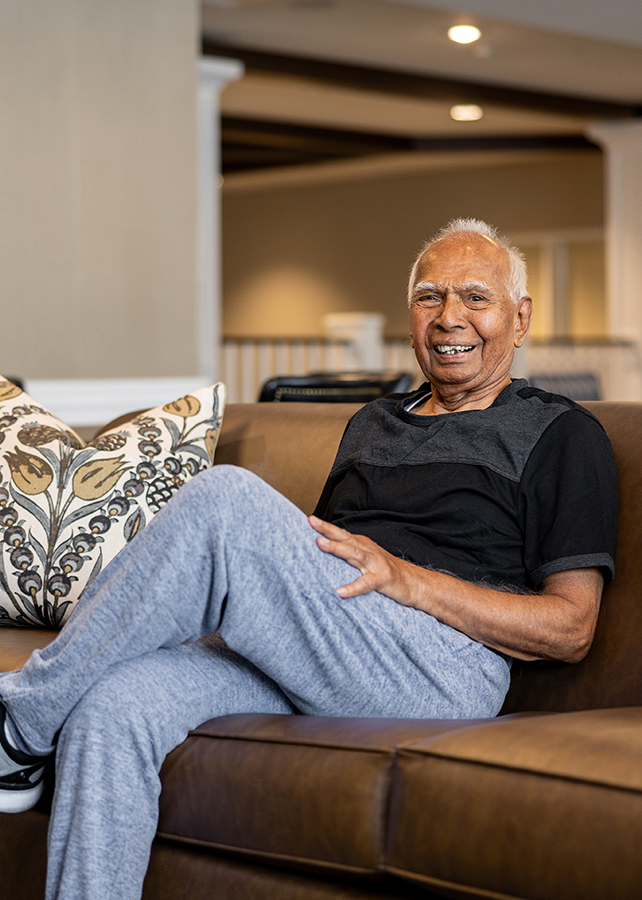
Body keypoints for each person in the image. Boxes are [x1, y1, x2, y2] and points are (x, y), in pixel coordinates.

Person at [0, 219, 617, 900]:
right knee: (113, 706)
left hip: (441, 667)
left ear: (520, 318)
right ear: (409, 316)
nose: (450, 318)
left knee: (227, 499)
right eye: (429, 297)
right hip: (332, 644)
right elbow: (315, 563)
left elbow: (570, 628)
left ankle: (19, 724)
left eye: (476, 297)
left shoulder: (562, 433)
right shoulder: (372, 423)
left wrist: (412, 582)